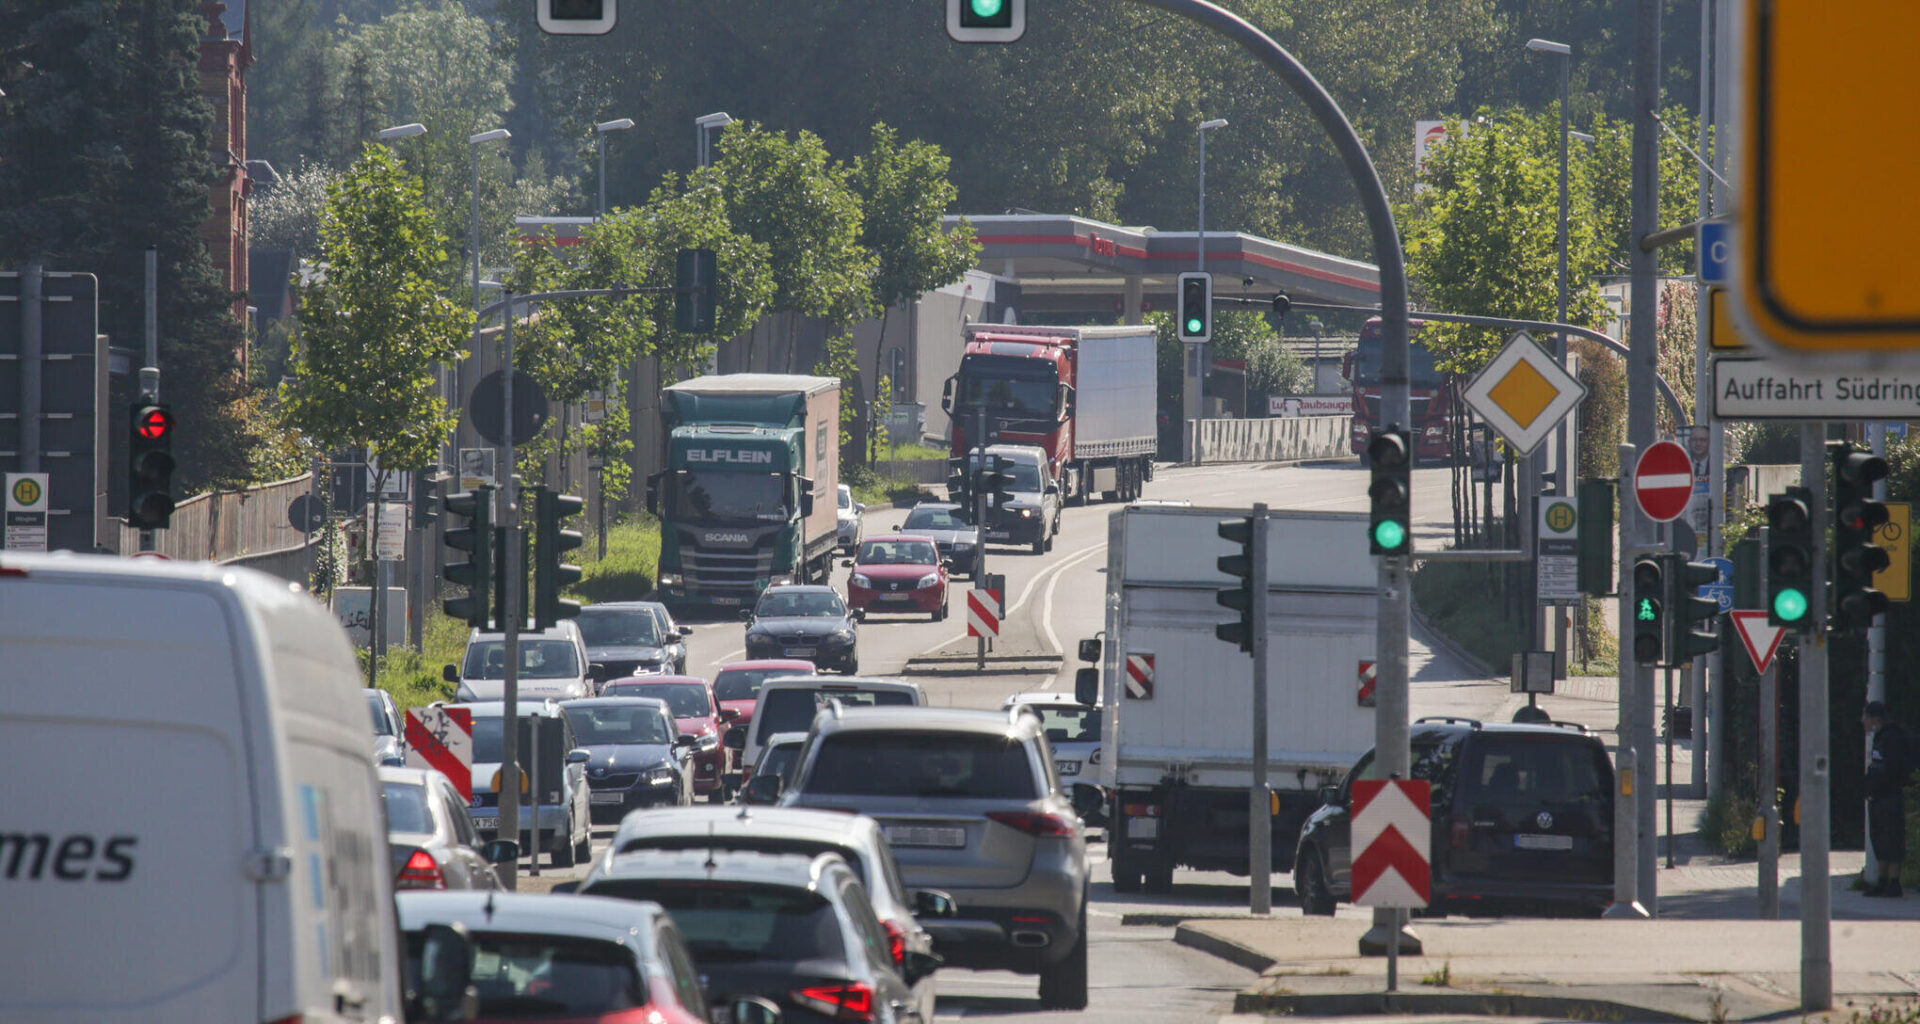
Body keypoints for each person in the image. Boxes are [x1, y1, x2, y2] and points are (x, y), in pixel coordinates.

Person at [1863, 700, 1911, 897]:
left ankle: (1893, 882)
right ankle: (1883, 881)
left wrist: (1884, 786)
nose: (1863, 720)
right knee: (1880, 839)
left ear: (1876, 719)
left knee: (1892, 839)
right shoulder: (1880, 737)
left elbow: (1893, 768)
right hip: (1879, 796)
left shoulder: (1891, 737)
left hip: (1889, 796)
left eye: (1865, 716)